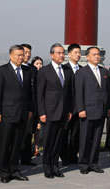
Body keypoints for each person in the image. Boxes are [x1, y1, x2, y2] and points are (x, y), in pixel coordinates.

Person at [0, 45, 34, 183]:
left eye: (22, 55)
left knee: (17, 144)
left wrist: (29, 110)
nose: (21, 57)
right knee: (5, 144)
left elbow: (29, 93)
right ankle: (3, 172)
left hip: (22, 113)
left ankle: (14, 169)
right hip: (7, 113)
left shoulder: (27, 71)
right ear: (11, 55)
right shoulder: (1, 71)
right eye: (18, 55)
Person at [37, 43, 73, 178]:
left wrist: (69, 110)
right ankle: (47, 167)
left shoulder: (67, 71)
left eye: (63, 53)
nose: (61, 55)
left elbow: (70, 93)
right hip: (49, 112)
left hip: (63, 112)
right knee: (48, 141)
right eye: (58, 53)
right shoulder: (44, 71)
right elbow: (39, 95)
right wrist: (42, 112)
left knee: (58, 141)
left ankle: (55, 166)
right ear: (52, 55)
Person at [75, 46, 110, 174]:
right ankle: (84, 164)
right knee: (85, 138)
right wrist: (80, 108)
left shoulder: (104, 72)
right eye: (94, 54)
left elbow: (108, 92)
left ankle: (94, 163)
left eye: (98, 54)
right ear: (88, 57)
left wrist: (108, 108)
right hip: (87, 110)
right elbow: (78, 93)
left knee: (97, 138)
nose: (97, 56)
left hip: (101, 110)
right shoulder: (81, 72)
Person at [60, 43, 82, 165]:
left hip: (79, 108)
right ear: (69, 54)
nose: (78, 55)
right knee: (64, 133)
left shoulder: (83, 70)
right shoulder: (64, 69)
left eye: (79, 53)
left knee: (76, 134)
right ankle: (64, 156)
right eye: (75, 53)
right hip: (67, 108)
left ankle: (73, 155)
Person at [19, 43, 37, 166]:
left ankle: (26, 158)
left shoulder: (33, 69)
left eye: (29, 52)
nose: (28, 54)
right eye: (25, 52)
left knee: (27, 133)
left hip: (30, 107)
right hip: (15, 107)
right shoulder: (15, 68)